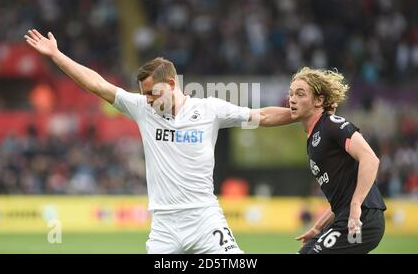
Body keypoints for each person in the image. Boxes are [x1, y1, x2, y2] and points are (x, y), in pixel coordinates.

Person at [24, 29, 293, 254]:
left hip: (204, 217)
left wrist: (302, 113)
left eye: (153, 93)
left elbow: (262, 116)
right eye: (145, 94)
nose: (149, 100)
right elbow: (98, 85)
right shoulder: (142, 108)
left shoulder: (210, 109)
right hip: (164, 225)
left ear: (172, 84)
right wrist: (57, 56)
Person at [287, 67, 386, 254]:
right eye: (291, 94)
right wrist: (318, 227)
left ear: (319, 101)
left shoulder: (332, 124)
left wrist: (356, 206)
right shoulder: (314, 135)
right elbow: (342, 198)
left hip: (363, 218)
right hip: (346, 217)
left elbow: (370, 159)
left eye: (300, 94)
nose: (292, 99)